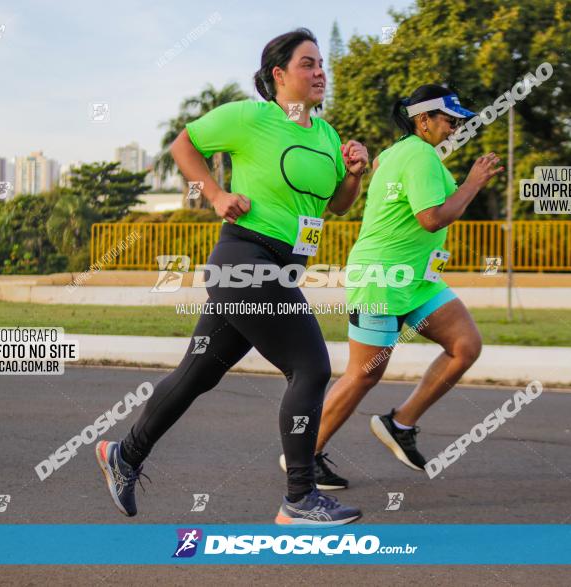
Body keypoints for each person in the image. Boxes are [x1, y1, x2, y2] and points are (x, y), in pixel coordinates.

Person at [96, 28, 369, 525]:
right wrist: (216, 196)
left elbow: (337, 206)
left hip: (282, 268)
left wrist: (354, 174)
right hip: (246, 259)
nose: (319, 72)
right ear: (278, 75)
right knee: (310, 368)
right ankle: (299, 498)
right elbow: (184, 145)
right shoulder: (251, 117)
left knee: (198, 372)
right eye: (307, 64)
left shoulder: (327, 135)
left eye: (321, 63)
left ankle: (125, 455)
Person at [279, 84, 503, 487]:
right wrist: (474, 182)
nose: (455, 128)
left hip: (416, 281)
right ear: (424, 120)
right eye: (449, 120)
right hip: (383, 278)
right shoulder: (417, 155)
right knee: (364, 373)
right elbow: (431, 218)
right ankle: (302, 455)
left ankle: (400, 424)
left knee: (465, 345)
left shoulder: (397, 154)